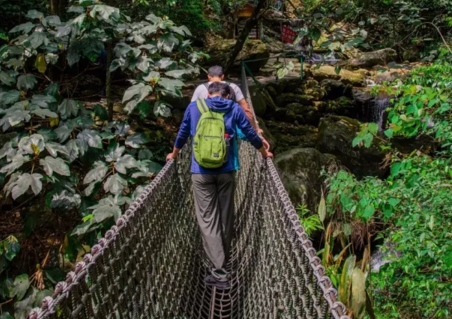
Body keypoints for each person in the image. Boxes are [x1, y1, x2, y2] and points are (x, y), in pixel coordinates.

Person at [167, 82, 273, 289]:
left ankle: (219, 272)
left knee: (208, 220)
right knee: (226, 216)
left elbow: (182, 134)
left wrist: (174, 155)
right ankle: (222, 263)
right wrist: (263, 152)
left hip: (201, 172)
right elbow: (250, 134)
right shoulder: (233, 108)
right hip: (227, 171)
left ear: (208, 94)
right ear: (227, 96)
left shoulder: (194, 107)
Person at [191, 65, 270, 151]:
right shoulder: (233, 87)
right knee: (231, 155)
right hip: (228, 132)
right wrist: (256, 129)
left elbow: (192, 110)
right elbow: (247, 111)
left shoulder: (200, 88)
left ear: (208, 77)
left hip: (205, 130)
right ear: (222, 76)